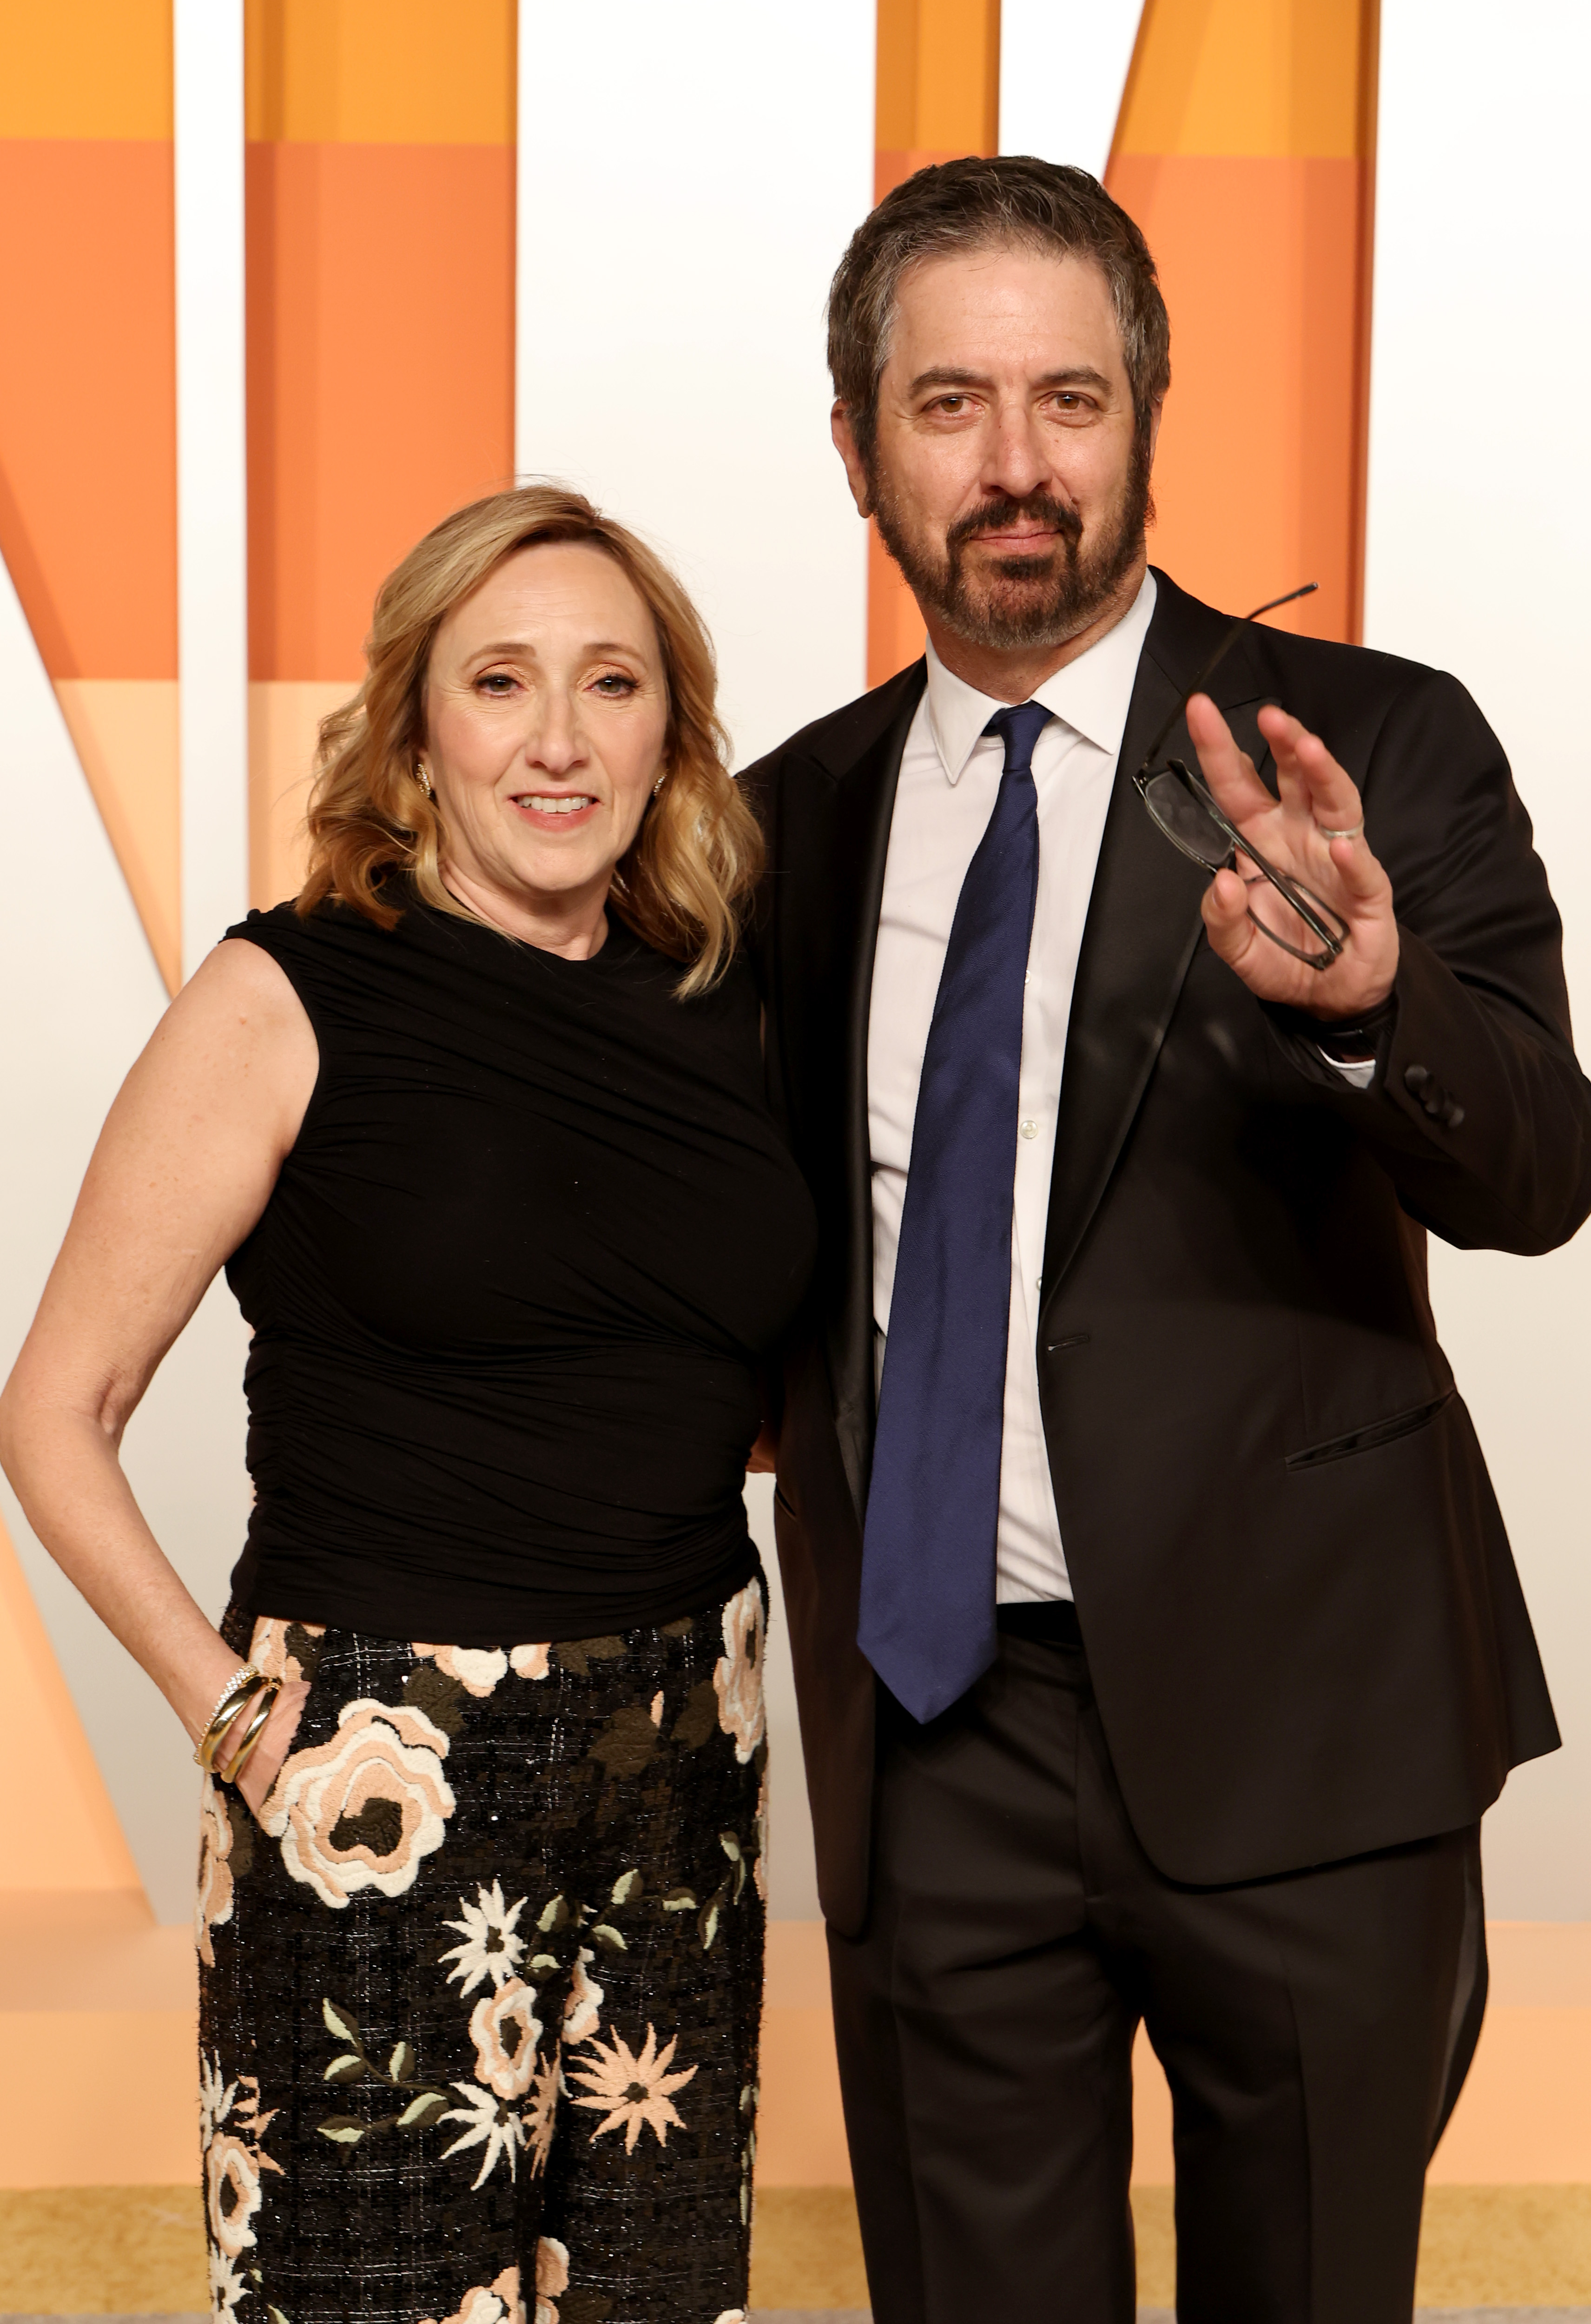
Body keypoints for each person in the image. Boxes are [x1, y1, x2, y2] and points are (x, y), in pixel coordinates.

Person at [748, 156, 1591, 2324]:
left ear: (1146, 416)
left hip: (1312, 1725)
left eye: (1069, 398)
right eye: (949, 404)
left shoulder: (1369, 745)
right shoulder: (781, 820)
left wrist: (1373, 1011)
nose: (1017, 464)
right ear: (857, 444)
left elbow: (1533, 1177)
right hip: (937, 1733)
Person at [0, 484, 815, 2324]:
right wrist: (236, 1718)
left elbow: (727, 1373)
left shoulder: (725, 1003)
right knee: (364, 2295)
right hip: (376, 1742)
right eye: (500, 679)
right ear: (413, 727)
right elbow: (55, 1406)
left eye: (608, 683)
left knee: (655, 2295)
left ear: (668, 731)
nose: (555, 735)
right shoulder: (288, 990)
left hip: (689, 1730)